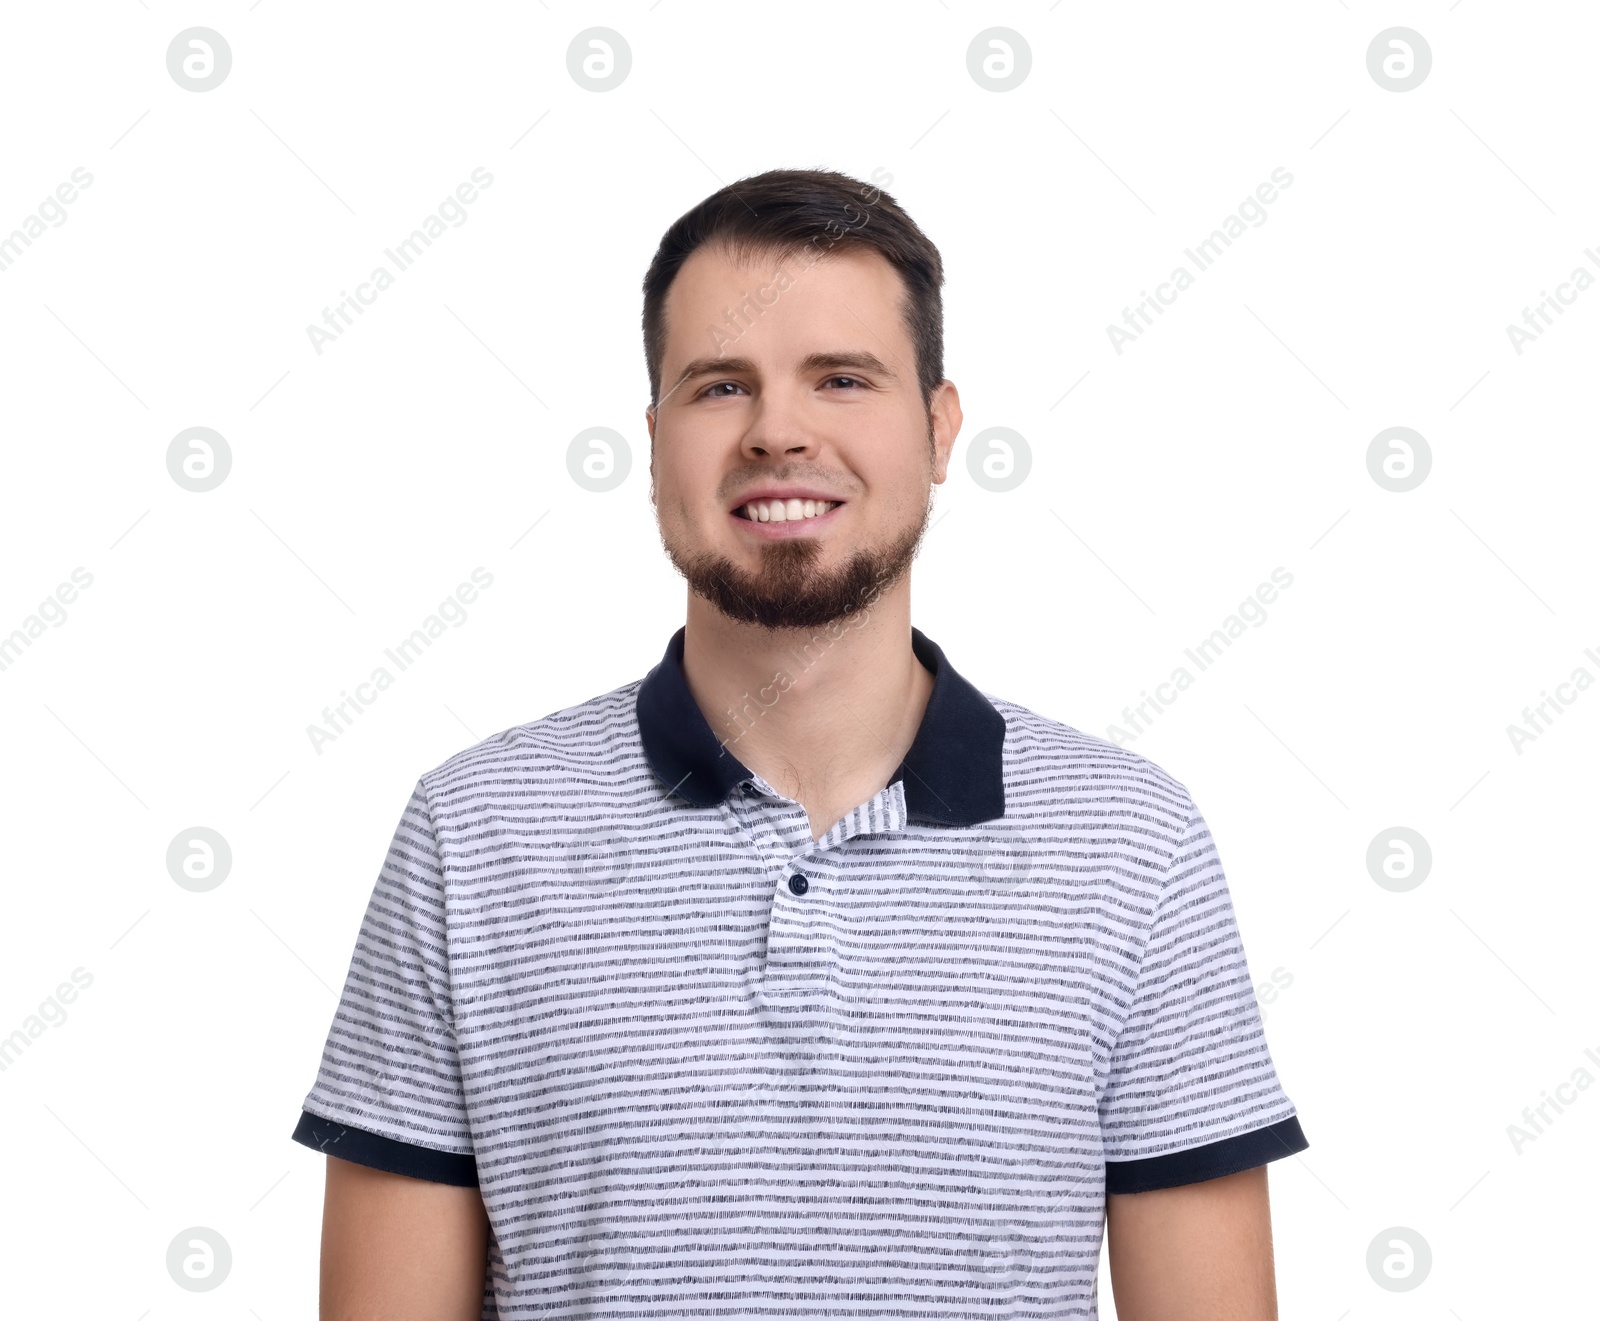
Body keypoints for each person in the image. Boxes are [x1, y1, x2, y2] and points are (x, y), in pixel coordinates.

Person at [292, 167, 1308, 1320]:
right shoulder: (471, 836)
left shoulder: (1133, 844)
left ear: (937, 428)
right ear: (655, 439)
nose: (778, 430)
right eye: (721, 386)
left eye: (841, 379)